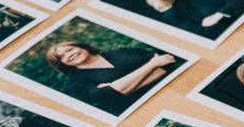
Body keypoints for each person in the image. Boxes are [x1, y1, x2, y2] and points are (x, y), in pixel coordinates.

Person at [44, 41, 176, 114]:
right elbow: (109, 97)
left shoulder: (121, 52)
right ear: (61, 64)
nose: (69, 55)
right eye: (62, 57)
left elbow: (166, 65)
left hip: (174, 88)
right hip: (145, 110)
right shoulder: (74, 84)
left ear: (81, 46)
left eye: (70, 50)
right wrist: (151, 65)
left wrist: (122, 88)